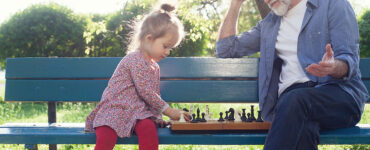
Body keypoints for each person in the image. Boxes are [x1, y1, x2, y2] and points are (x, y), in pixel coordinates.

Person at [216, 0, 369, 149]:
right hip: (291, 106)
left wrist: (334, 67)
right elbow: (225, 49)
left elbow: (349, 59)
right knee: (303, 128)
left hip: (337, 95)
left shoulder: (333, 4)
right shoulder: (269, 25)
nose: (266, 0)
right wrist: (235, 3)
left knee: (295, 102)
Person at [85, 3, 190, 150]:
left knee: (148, 128)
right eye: (165, 46)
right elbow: (146, 92)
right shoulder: (135, 59)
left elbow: (154, 94)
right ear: (149, 38)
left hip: (138, 113)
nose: (167, 52)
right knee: (106, 135)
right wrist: (170, 112)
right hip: (116, 109)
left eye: (170, 48)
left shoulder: (154, 66)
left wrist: (158, 118)